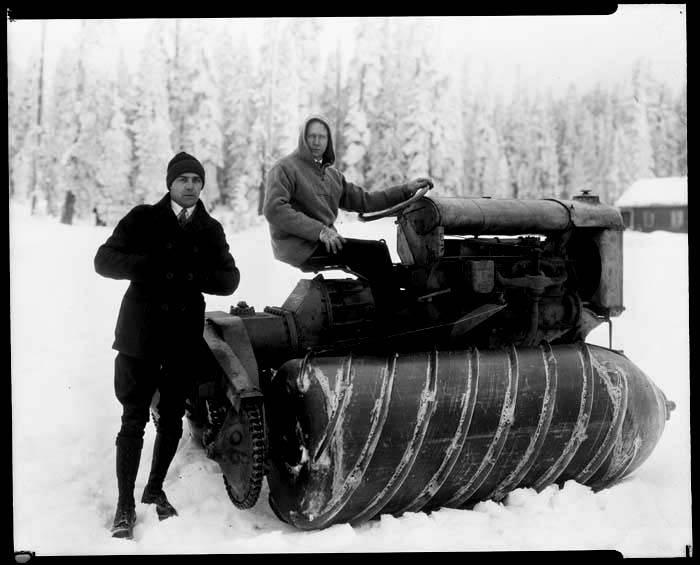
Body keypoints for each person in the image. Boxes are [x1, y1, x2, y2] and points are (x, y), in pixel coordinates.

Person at [94, 152, 239, 539]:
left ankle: (154, 488)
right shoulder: (143, 218)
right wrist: (149, 266)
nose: (191, 186)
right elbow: (104, 260)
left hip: (181, 337)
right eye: (183, 179)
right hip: (140, 335)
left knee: (172, 417)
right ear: (170, 184)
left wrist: (193, 274)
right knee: (133, 418)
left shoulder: (210, 229)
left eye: (197, 180)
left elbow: (229, 280)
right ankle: (125, 504)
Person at [263, 114, 432, 313]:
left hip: (325, 242)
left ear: (328, 141)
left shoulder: (333, 176)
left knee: (384, 267)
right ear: (303, 138)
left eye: (322, 137)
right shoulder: (285, 168)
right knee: (375, 254)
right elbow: (274, 209)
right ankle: (394, 319)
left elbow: (366, 201)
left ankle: (383, 309)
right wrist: (320, 231)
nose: (316, 142)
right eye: (311, 136)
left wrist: (405, 190)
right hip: (301, 245)